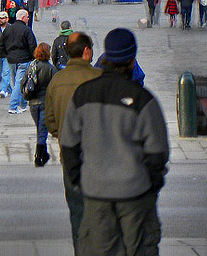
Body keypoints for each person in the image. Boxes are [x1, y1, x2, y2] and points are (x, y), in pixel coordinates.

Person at [60, 28, 168, 256]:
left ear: (106, 55)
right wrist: (149, 185)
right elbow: (158, 153)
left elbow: (68, 145)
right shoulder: (142, 99)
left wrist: (80, 181)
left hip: (96, 193)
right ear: (132, 59)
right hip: (135, 194)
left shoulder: (82, 95)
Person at [45, 32, 101, 251]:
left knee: (77, 212)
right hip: (98, 156)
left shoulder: (57, 80)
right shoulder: (98, 77)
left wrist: (63, 134)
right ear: (87, 51)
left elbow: (49, 121)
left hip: (69, 155)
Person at [0, 8, 37, 114]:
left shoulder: (8, 29)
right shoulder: (26, 30)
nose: (28, 18)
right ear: (23, 17)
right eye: (27, 16)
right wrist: (34, 58)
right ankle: (13, 106)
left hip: (11, 60)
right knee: (20, 82)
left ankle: (22, 105)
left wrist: (6, 55)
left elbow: (0, 45)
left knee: (18, 81)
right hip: (24, 59)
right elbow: (32, 46)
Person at [27, 42, 57, 167]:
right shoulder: (50, 68)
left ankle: (43, 154)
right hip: (45, 102)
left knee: (40, 129)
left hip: (33, 102)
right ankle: (38, 156)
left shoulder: (32, 66)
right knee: (42, 131)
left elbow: (25, 81)